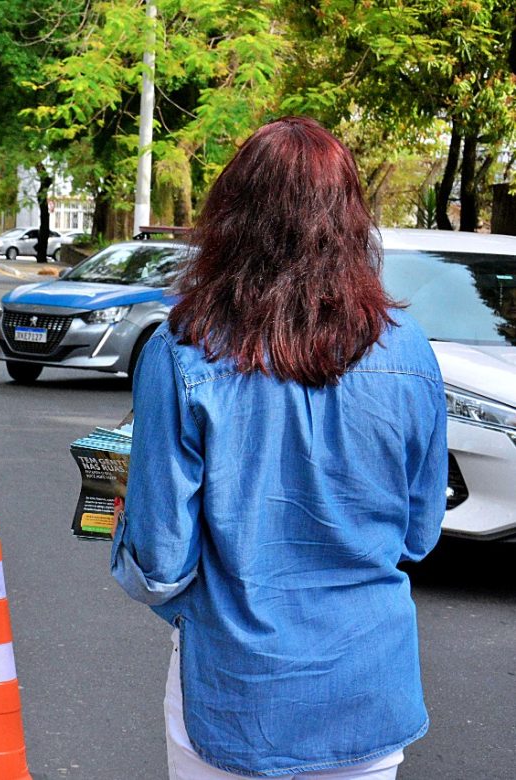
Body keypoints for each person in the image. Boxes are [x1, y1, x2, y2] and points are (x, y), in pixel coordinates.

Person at [111, 117, 446, 779]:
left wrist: (118, 518)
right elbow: (417, 533)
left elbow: (159, 563)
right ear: (350, 220)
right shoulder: (410, 351)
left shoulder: (182, 351)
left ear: (231, 219)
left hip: (238, 696)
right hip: (368, 692)